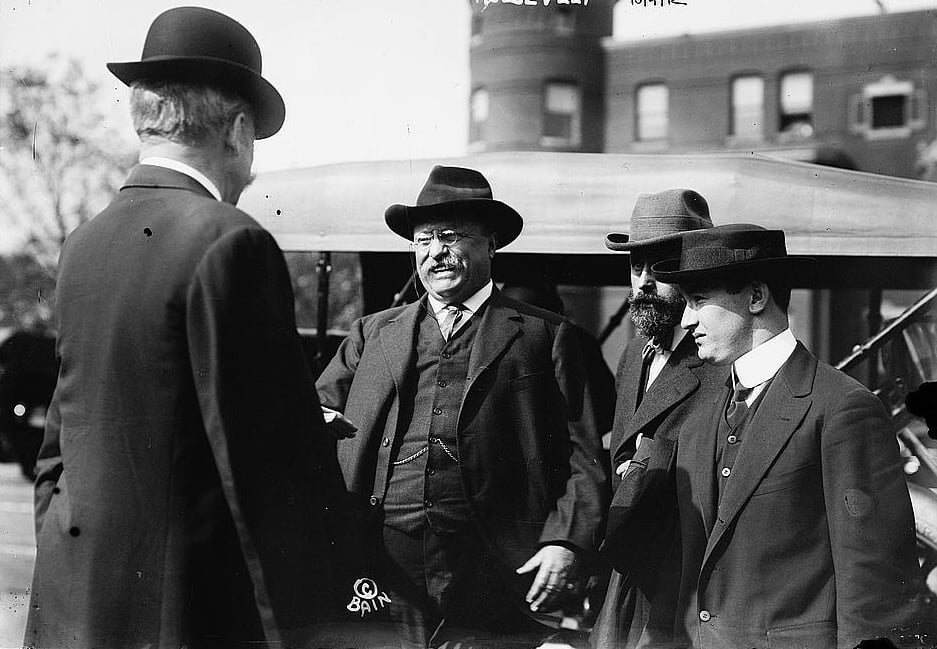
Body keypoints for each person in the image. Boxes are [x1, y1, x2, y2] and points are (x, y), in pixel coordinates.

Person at [25, 8, 346, 649]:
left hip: (76, 603)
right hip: (189, 615)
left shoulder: (82, 244)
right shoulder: (232, 240)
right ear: (238, 130)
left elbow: (61, 443)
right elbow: (268, 470)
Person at [316, 165, 610, 648]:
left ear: (491, 244)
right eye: (424, 240)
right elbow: (314, 411)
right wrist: (318, 420)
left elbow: (584, 454)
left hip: (496, 562)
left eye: (450, 237)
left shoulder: (544, 334)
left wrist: (566, 539)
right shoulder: (371, 332)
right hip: (382, 560)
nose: (435, 253)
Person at [650, 223, 921, 649]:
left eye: (699, 300)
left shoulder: (842, 407)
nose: (685, 320)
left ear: (757, 297)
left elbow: (876, 586)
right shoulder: (700, 418)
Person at [590, 189, 722, 649]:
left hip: (686, 593)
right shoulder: (635, 354)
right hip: (626, 587)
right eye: (635, 266)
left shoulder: (720, 360)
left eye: (660, 266)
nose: (643, 281)